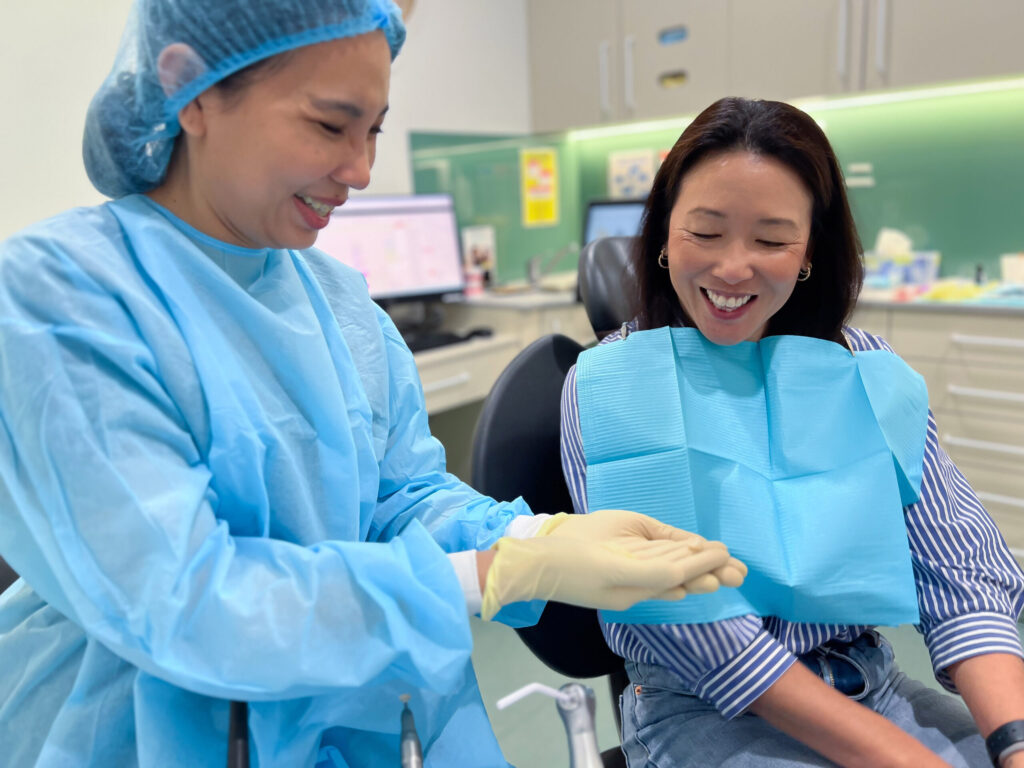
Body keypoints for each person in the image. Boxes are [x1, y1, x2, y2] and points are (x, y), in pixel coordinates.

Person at [0, 3, 746, 766]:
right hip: (155, 729)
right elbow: (186, 605)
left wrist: (536, 538)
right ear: (191, 91)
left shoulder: (337, 300)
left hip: (365, 701)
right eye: (331, 126)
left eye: (375, 131)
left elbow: (403, 496)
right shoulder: (62, 296)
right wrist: (496, 573)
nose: (359, 171)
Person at [560, 97, 1024, 768]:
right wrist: (904, 759)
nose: (732, 268)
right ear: (663, 234)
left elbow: (960, 568)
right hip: (705, 708)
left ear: (810, 250)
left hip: (871, 683)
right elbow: (697, 630)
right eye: (706, 232)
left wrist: (1012, 740)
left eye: (772, 240)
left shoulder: (863, 369)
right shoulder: (614, 384)